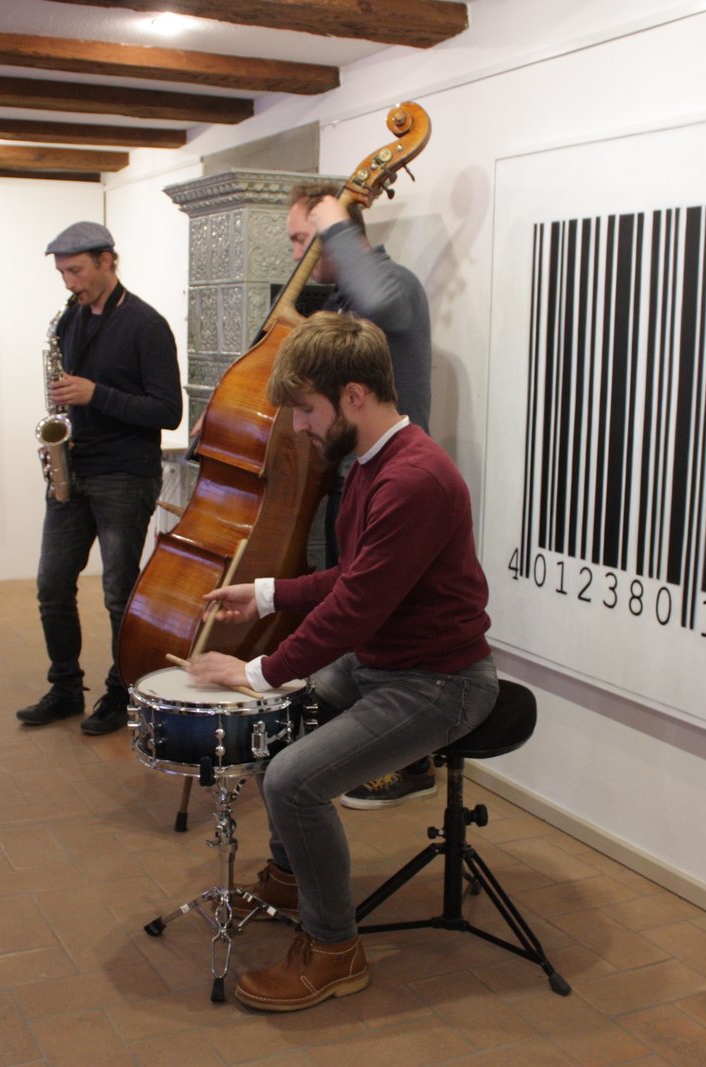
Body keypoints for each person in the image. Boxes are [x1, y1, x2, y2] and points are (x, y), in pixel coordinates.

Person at [187, 312, 498, 1013]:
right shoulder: (372, 463)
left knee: (296, 777)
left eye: (305, 409)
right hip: (385, 662)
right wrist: (265, 592)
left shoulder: (412, 479)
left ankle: (335, 949)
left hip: (440, 681)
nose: (297, 425)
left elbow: (355, 606)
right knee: (276, 733)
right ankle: (296, 876)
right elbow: (360, 578)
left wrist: (256, 670)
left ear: (353, 395)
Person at [286, 181, 439, 809]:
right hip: (356, 474)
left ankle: (407, 763)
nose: (297, 255)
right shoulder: (346, 297)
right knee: (350, 607)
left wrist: (335, 227)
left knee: (384, 619)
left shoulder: (390, 283)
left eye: (303, 238)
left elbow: (377, 295)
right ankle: (351, 746)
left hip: (392, 480)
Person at [15, 221, 183, 736]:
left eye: (77, 270)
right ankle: (66, 687)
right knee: (51, 586)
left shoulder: (145, 324)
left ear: (108, 261)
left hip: (123, 475)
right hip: (74, 469)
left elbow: (169, 411)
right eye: (63, 272)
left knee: (117, 592)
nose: (69, 283)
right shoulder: (69, 320)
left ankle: (121, 691)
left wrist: (97, 395)